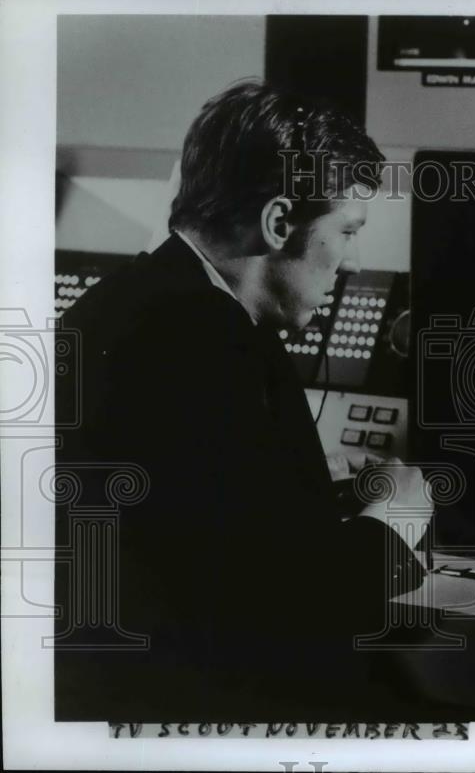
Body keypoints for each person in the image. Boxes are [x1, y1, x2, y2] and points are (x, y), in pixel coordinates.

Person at [54, 81, 431, 720]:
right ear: (280, 222)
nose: (352, 258)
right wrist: (398, 517)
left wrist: (292, 491)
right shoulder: (204, 350)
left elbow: (207, 531)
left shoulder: (134, 303)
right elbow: (293, 612)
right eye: (347, 229)